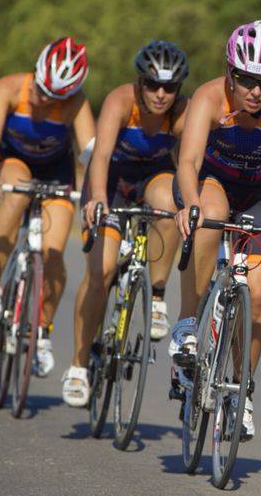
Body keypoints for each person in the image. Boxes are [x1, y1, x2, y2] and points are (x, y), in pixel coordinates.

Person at [169, 20, 261, 440]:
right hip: (209, 183)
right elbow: (189, 161)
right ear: (230, 72)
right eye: (245, 78)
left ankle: (240, 389)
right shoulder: (210, 97)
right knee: (210, 213)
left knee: (260, 296)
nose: (255, 90)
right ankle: (188, 322)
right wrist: (190, 203)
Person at [65, 41, 189, 407]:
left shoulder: (181, 112)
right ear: (139, 83)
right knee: (101, 273)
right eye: (153, 85)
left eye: (170, 87)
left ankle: (159, 294)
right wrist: (98, 198)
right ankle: (78, 364)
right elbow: (100, 155)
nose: (161, 94)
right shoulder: (121, 101)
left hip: (152, 179)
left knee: (169, 205)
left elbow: (188, 164)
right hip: (112, 183)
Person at [0, 37, 94, 377]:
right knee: (15, 196)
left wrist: (96, 183)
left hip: (56, 172)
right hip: (16, 162)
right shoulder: (10, 87)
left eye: (55, 96)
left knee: (54, 253)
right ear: (37, 71)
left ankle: (41, 331)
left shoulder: (75, 103)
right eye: (42, 89)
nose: (44, 99)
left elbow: (89, 152)